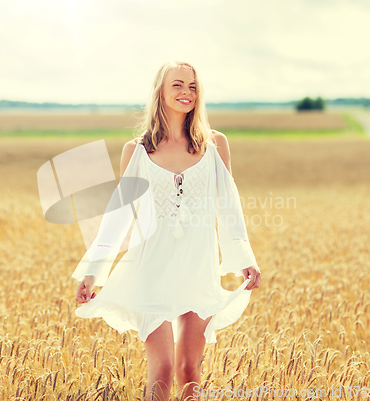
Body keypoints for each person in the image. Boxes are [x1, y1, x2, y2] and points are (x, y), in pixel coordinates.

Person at [73, 61, 261, 401]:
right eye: (178, 85)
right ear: (160, 90)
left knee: (189, 368)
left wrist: (244, 258)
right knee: (161, 368)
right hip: (151, 269)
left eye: (192, 86)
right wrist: (91, 273)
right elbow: (119, 216)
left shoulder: (215, 145)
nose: (186, 92)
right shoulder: (137, 150)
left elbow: (228, 206)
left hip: (197, 268)